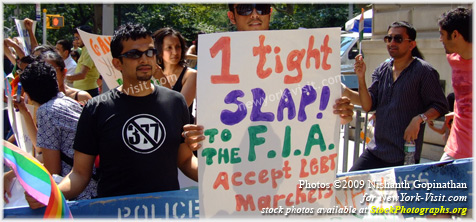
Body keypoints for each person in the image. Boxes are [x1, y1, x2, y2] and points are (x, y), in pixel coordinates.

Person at [26, 23, 198, 208]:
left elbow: (186, 160)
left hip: (166, 210)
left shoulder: (175, 102)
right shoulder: (96, 109)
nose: (144, 59)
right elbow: (80, 174)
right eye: (134, 54)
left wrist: (225, 179)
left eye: (149, 52)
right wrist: (52, 194)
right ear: (117, 63)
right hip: (113, 211)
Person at [182, 3, 356, 150]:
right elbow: (209, 122)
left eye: (262, 8)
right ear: (232, 16)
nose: (255, 15)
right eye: (245, 9)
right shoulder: (216, 62)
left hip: (288, 162)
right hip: (235, 165)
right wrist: (195, 138)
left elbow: (321, 100)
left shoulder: (298, 54)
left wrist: (338, 115)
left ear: (270, 13)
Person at [350, 21, 448, 171]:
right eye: (388, 39)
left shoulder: (424, 72)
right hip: (375, 151)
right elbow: (368, 105)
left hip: (403, 157)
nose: (392, 43)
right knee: (348, 186)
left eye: (398, 39)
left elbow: (440, 106)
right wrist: (361, 78)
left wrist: (419, 119)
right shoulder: (382, 69)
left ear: (411, 44)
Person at [10, 59, 97, 201]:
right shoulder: (67, 102)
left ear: (28, 94)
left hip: (79, 194)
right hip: (93, 186)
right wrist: (25, 112)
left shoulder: (46, 111)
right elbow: (41, 147)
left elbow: (53, 171)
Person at [437, 7, 472, 161]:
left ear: (455, 34)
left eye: (442, 34)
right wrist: (459, 112)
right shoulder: (452, 59)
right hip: (455, 148)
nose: (440, 40)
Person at [153, 27, 197, 123]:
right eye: (169, 48)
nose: (175, 52)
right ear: (159, 51)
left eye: (178, 47)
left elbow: (178, 109)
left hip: (181, 133)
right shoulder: (152, 74)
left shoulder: (190, 75)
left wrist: (162, 80)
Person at [65, 25, 100, 97]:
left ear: (85, 37)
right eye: (75, 38)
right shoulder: (85, 50)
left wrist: (63, 77)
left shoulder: (89, 51)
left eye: (77, 38)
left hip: (88, 91)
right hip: (84, 91)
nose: (76, 40)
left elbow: (82, 75)